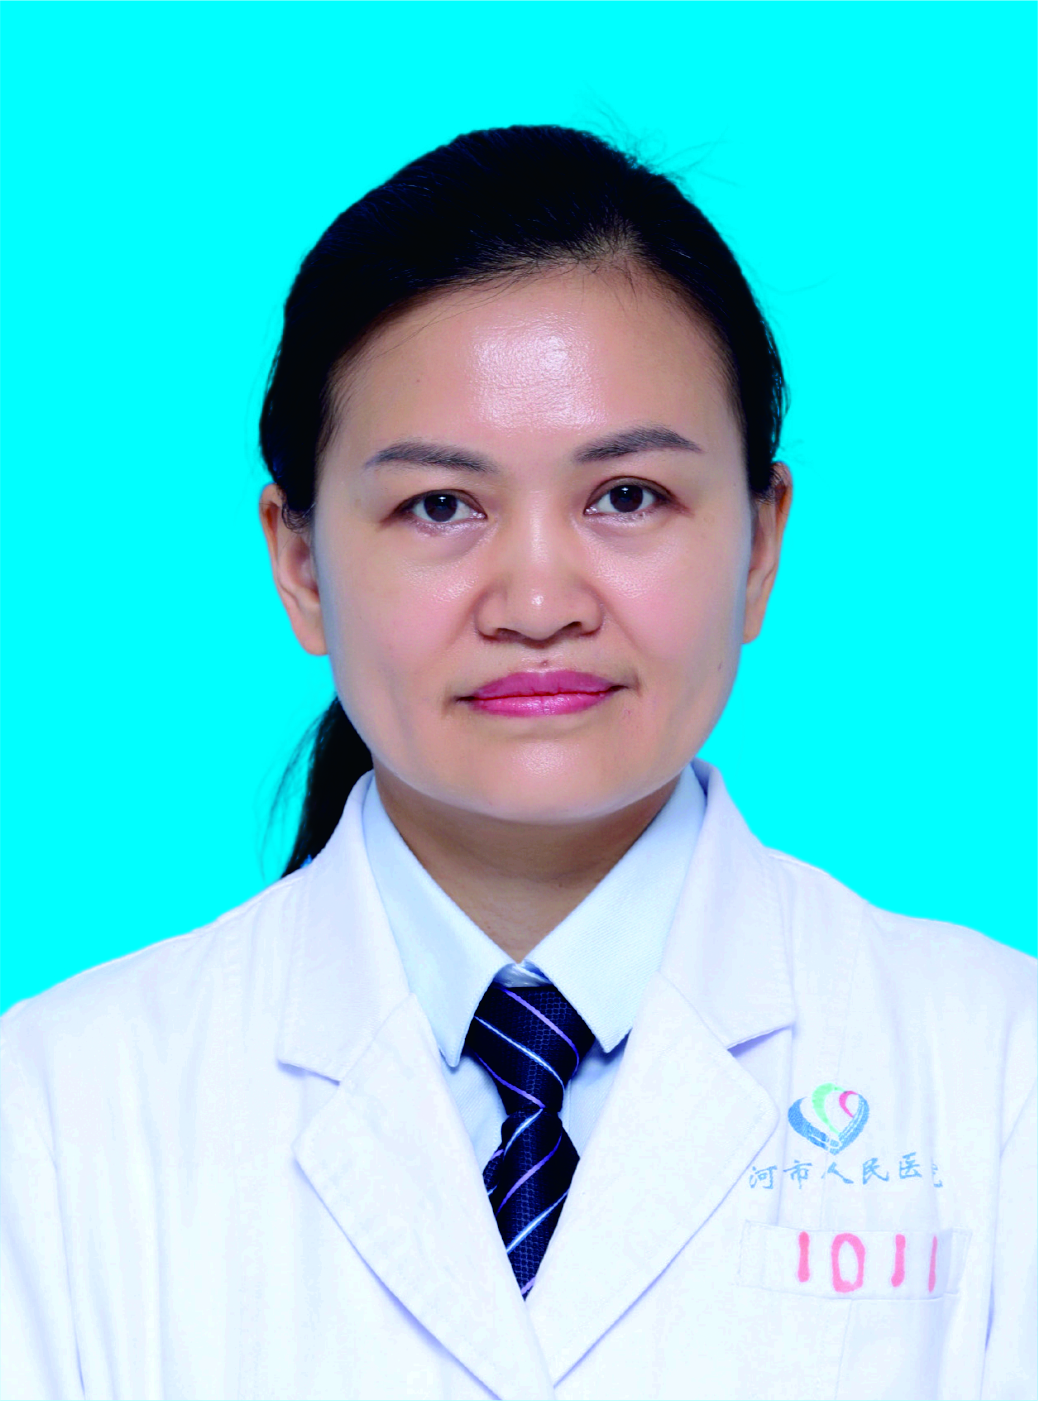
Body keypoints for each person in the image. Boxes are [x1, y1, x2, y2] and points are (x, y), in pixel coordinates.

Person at [1, 125, 1034, 1401]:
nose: (539, 602)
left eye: (627, 497)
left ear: (761, 543)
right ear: (301, 564)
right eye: (440, 507)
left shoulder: (1000, 1076)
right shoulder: (53, 1116)